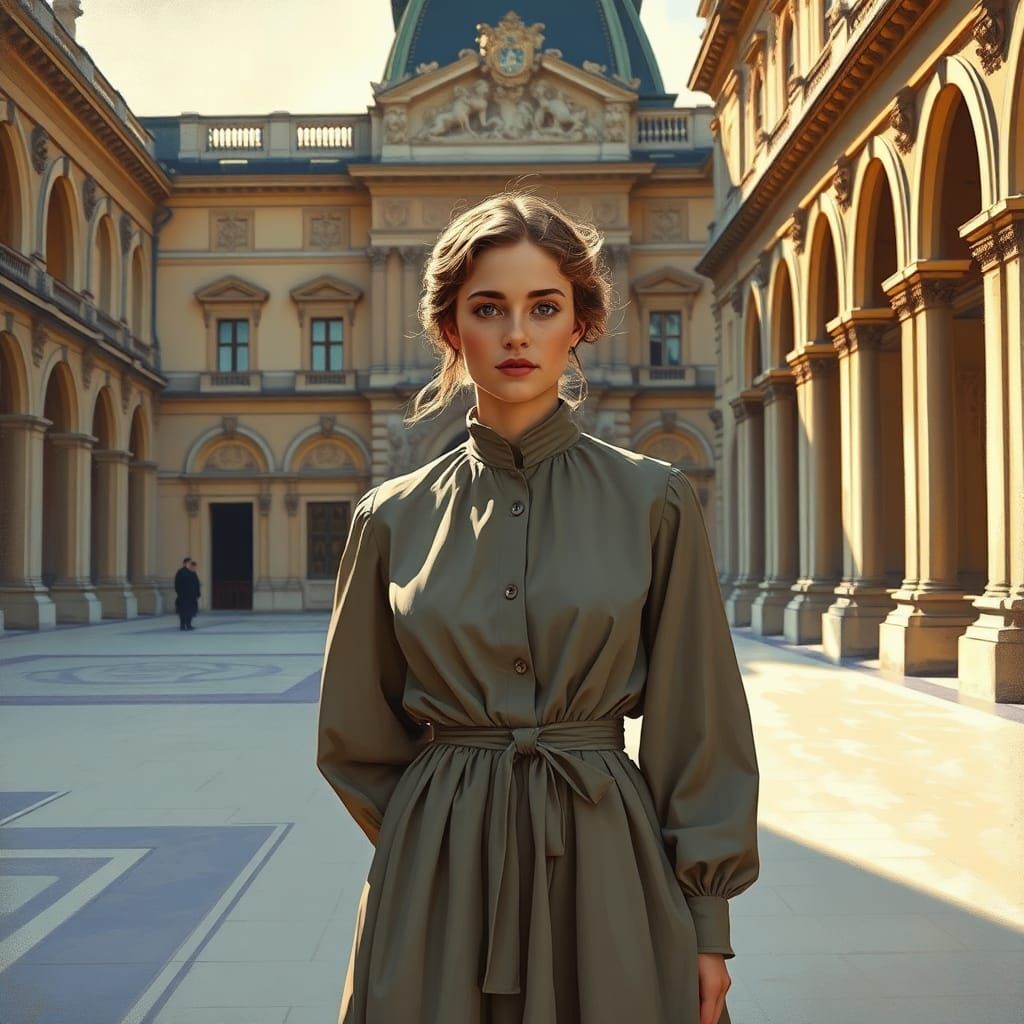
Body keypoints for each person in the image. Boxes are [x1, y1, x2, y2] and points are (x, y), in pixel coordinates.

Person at [316, 192, 760, 1024]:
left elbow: (698, 725)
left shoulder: (655, 501)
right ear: (451, 328)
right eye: (489, 308)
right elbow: (353, 736)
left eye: (543, 307)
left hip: (610, 873)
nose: (516, 334)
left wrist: (707, 922)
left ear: (581, 324)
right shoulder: (390, 518)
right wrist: (437, 840)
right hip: (438, 886)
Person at [173, 556, 199, 631]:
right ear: (185, 563)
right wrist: (180, 593)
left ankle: (189, 624)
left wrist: (197, 593)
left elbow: (196, 583)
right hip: (183, 597)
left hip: (192, 596)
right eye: (189, 563)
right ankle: (182, 625)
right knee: (183, 611)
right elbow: (177, 584)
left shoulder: (192, 572)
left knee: (190, 611)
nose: (190, 564)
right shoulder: (181, 572)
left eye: (190, 563)